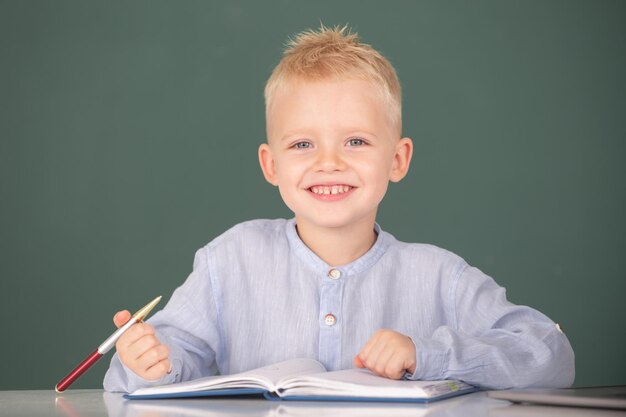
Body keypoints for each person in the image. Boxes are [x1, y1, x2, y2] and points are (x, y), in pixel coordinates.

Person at [104, 25, 575, 393]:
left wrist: (425, 354)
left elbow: (551, 354)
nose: (329, 162)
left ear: (397, 159)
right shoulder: (229, 261)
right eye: (303, 143)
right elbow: (168, 362)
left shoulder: (439, 277)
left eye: (355, 141)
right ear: (271, 164)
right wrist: (149, 360)